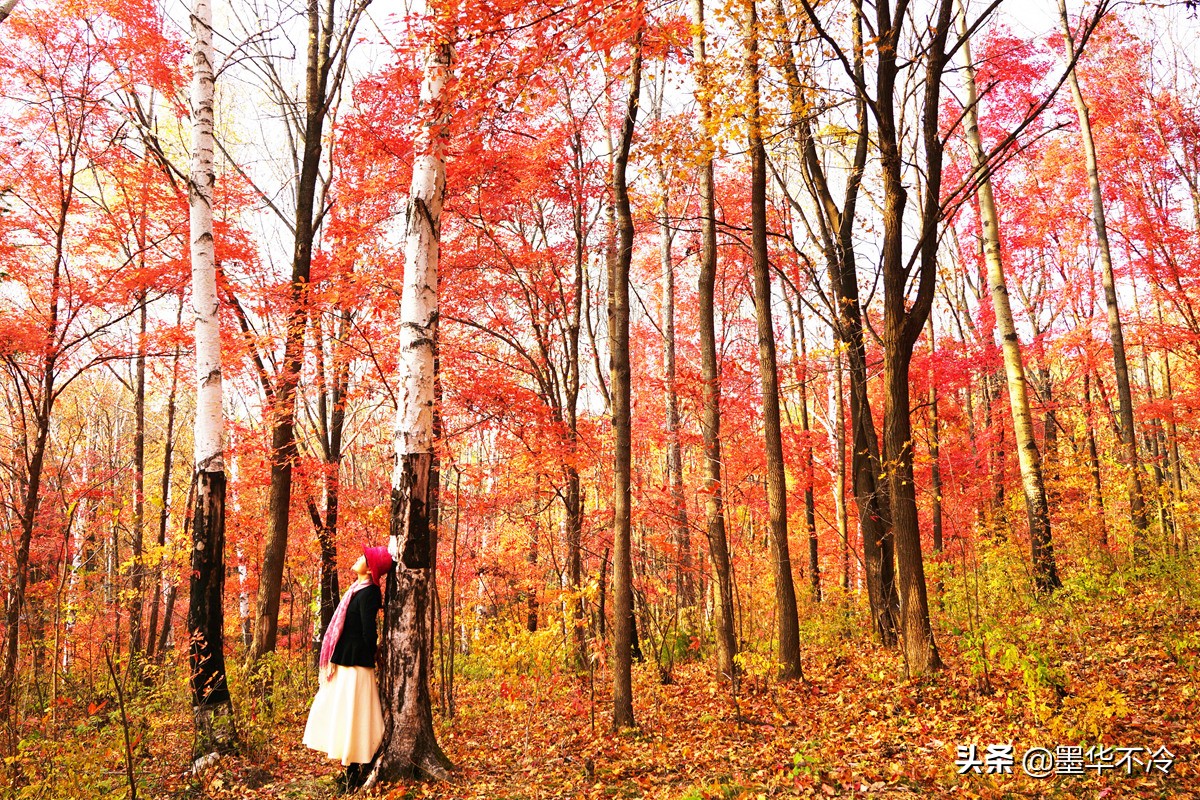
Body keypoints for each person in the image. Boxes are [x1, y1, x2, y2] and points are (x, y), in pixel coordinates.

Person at [303, 545, 392, 793]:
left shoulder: (371, 592)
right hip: (347, 660)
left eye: (363, 557)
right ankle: (350, 770)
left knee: (357, 716)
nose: (357, 557)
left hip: (358, 663)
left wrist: (372, 651)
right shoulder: (356, 590)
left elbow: (367, 629)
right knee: (345, 714)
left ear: (370, 568)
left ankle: (354, 771)